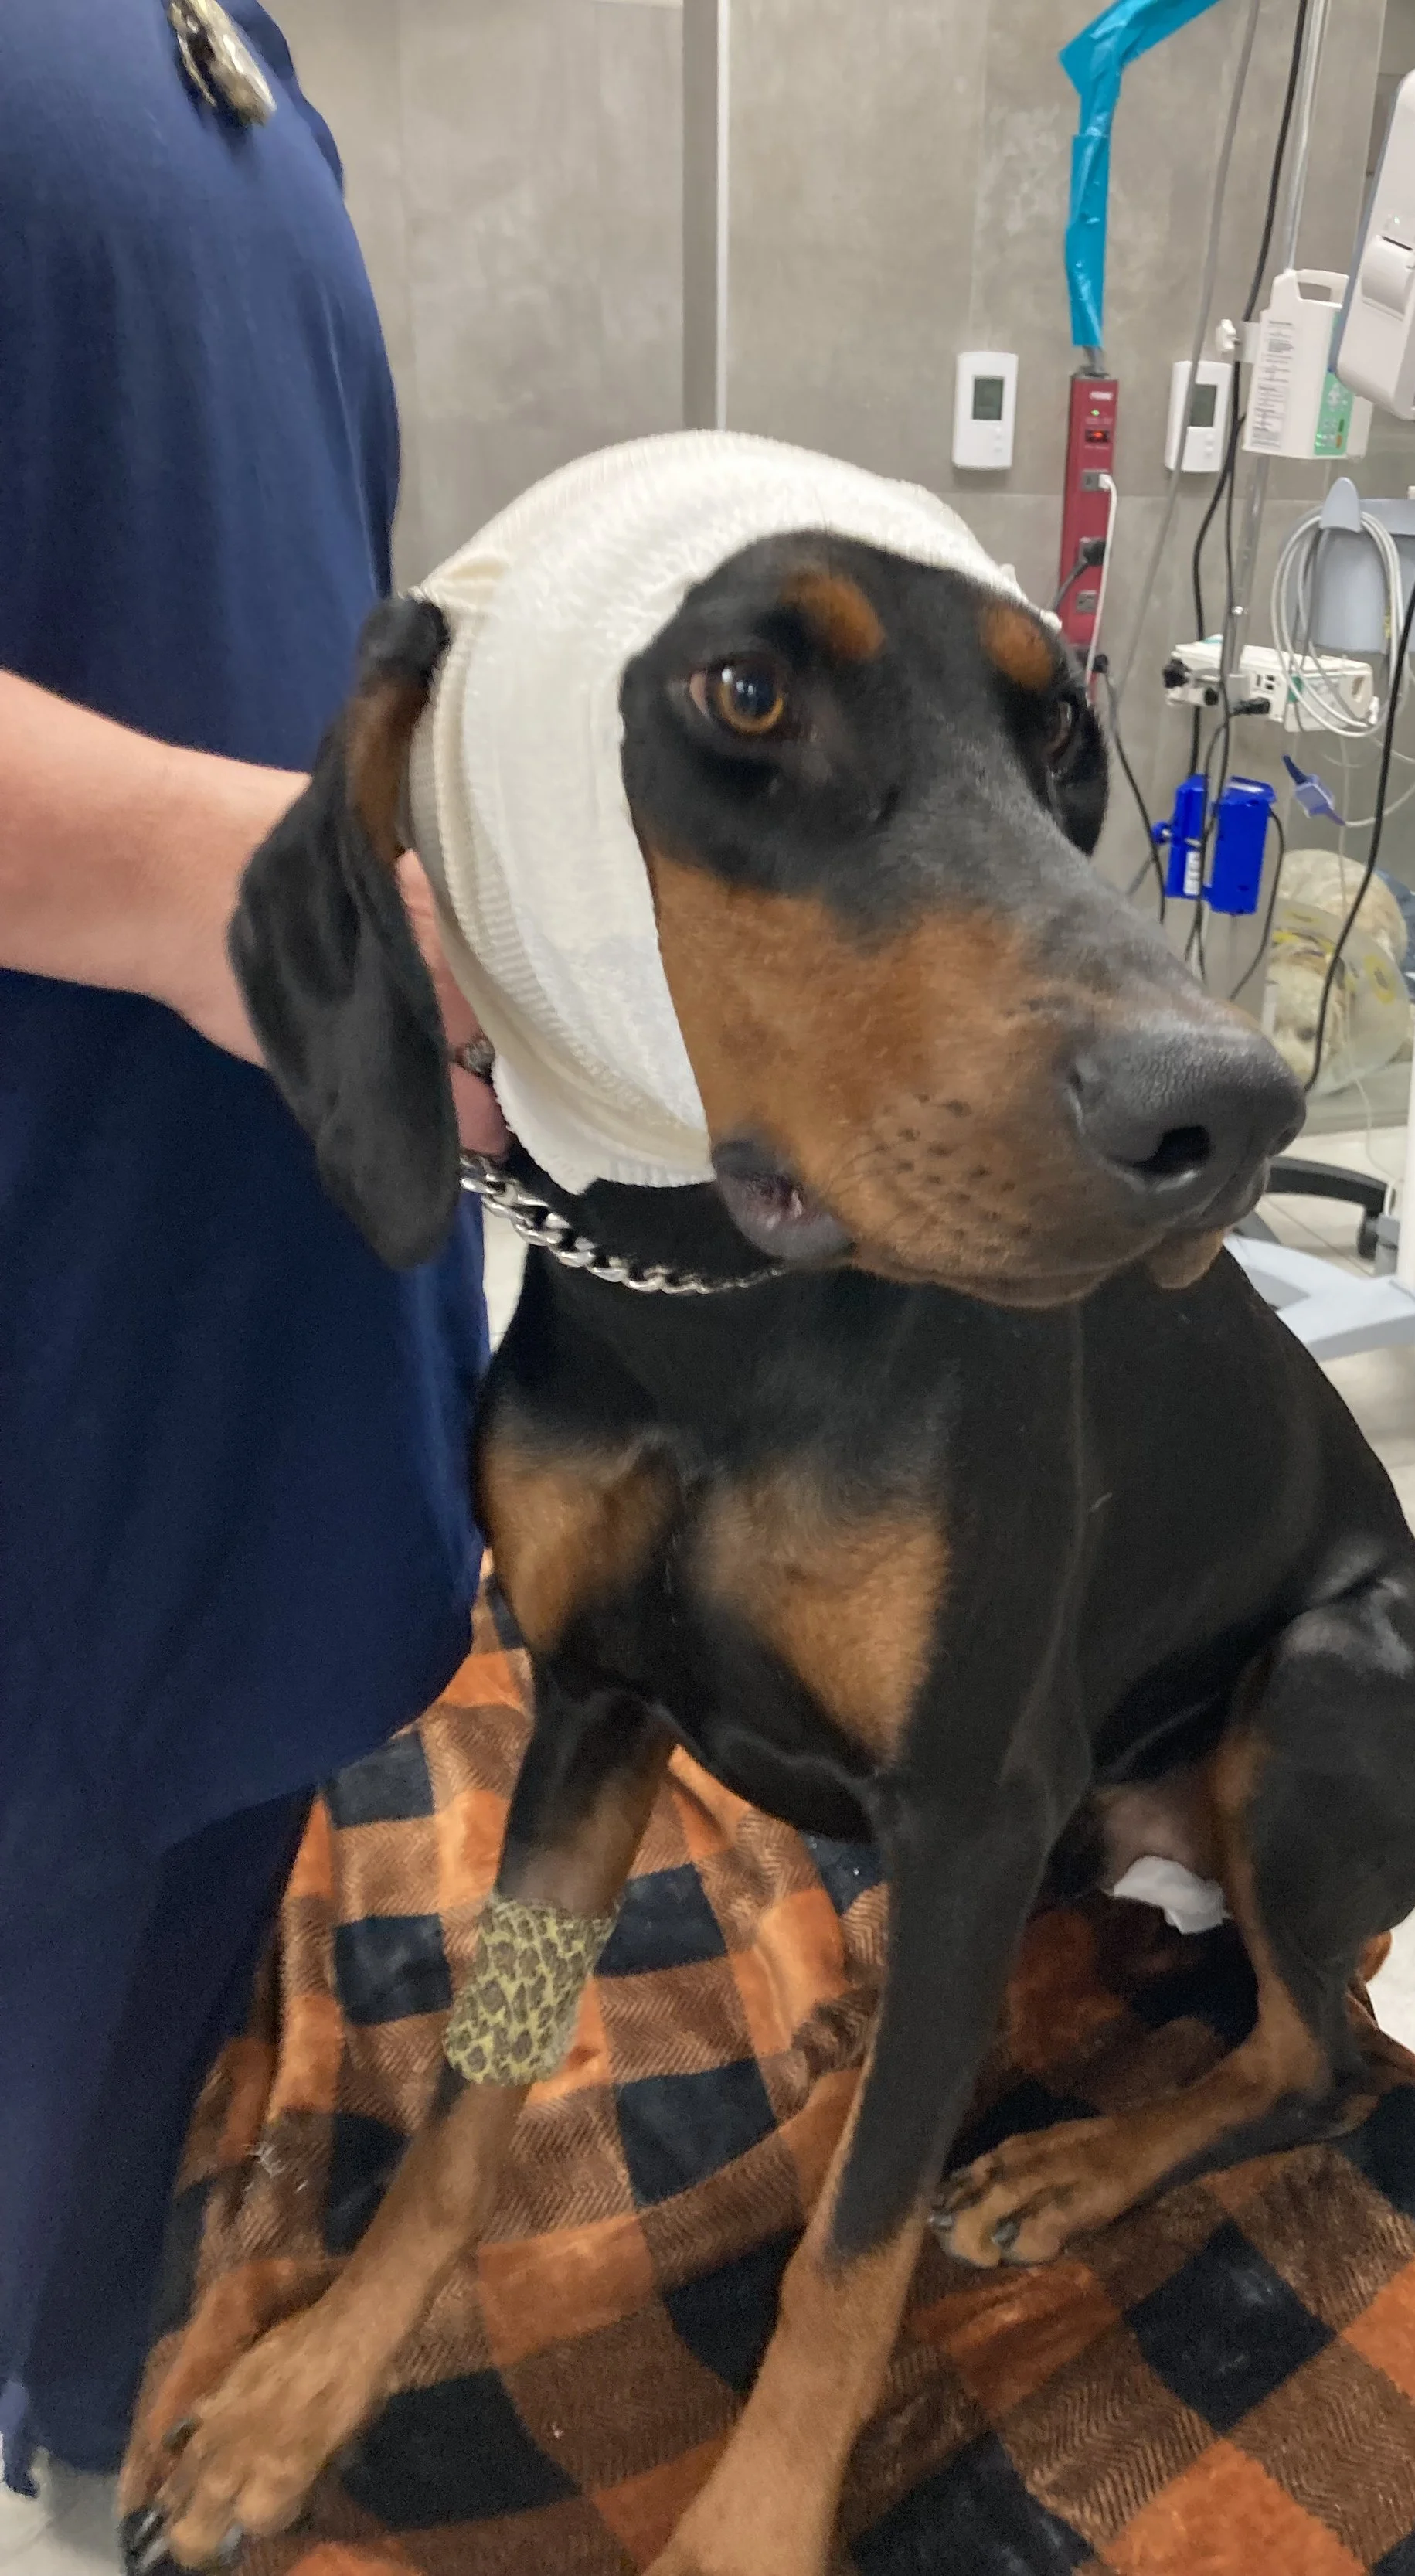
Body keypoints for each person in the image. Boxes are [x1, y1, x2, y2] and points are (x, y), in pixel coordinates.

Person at [0, 0, 498, 2484]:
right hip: (59, 1325)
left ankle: (84, 2383)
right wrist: (242, 890)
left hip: (283, 1307)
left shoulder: (233, 54)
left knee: (189, 1917)